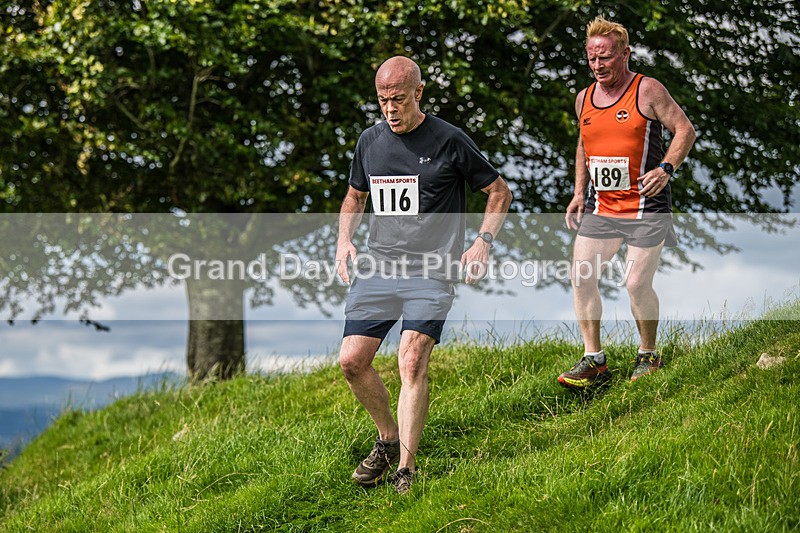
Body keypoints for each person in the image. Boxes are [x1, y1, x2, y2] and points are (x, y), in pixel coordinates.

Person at [336, 56, 512, 494]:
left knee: (411, 359)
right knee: (352, 361)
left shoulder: (450, 140)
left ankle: (406, 472)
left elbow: (499, 191)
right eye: (382, 101)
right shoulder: (369, 141)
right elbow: (355, 197)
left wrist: (482, 242)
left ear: (419, 92)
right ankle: (388, 440)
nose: (390, 109)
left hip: (432, 271)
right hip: (379, 267)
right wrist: (344, 240)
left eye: (397, 99)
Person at [559, 16, 696, 389]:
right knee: (581, 276)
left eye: (605, 57)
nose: (598, 66)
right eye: (592, 59)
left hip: (645, 206)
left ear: (625, 54)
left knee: (635, 283)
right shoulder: (583, 99)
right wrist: (577, 192)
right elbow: (584, 145)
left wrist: (667, 167)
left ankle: (648, 353)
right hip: (602, 206)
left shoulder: (647, 90)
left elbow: (685, 129)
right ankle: (594, 361)